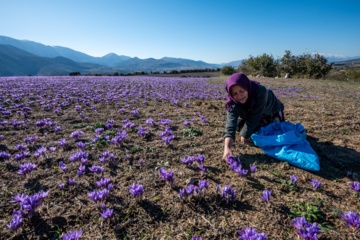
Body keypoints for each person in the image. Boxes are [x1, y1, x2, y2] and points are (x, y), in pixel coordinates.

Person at [222, 72, 285, 160]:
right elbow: (230, 127)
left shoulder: (260, 91)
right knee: (242, 128)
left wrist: (244, 135)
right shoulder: (232, 103)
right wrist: (227, 148)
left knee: (271, 130)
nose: (239, 96)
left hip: (270, 109)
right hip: (251, 111)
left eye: (241, 91)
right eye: (235, 94)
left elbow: (255, 116)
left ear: (247, 87)